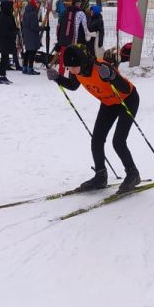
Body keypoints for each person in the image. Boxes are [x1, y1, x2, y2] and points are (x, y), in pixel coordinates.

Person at [46, 42, 140, 193]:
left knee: (118, 141)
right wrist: (57, 78)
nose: (70, 70)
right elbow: (73, 85)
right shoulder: (78, 71)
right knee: (96, 139)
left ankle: (133, 174)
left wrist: (112, 76)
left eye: (71, 67)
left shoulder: (101, 67)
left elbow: (125, 87)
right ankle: (100, 176)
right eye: (68, 67)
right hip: (109, 103)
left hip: (127, 99)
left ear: (82, 62)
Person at [0, 0, 20, 84]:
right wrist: (14, 32)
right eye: (11, 7)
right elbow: (6, 31)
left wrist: (15, 29)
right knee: (4, 58)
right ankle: (1, 76)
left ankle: (3, 75)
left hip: (7, 41)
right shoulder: (4, 17)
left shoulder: (7, 15)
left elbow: (11, 27)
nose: (12, 8)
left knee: (5, 58)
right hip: (5, 41)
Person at [21, 0, 41, 74]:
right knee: (32, 51)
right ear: (33, 3)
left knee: (28, 51)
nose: (38, 4)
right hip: (32, 34)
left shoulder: (27, 11)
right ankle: (30, 68)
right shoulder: (33, 13)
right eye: (37, 3)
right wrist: (42, 28)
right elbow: (34, 26)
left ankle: (24, 67)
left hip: (27, 33)